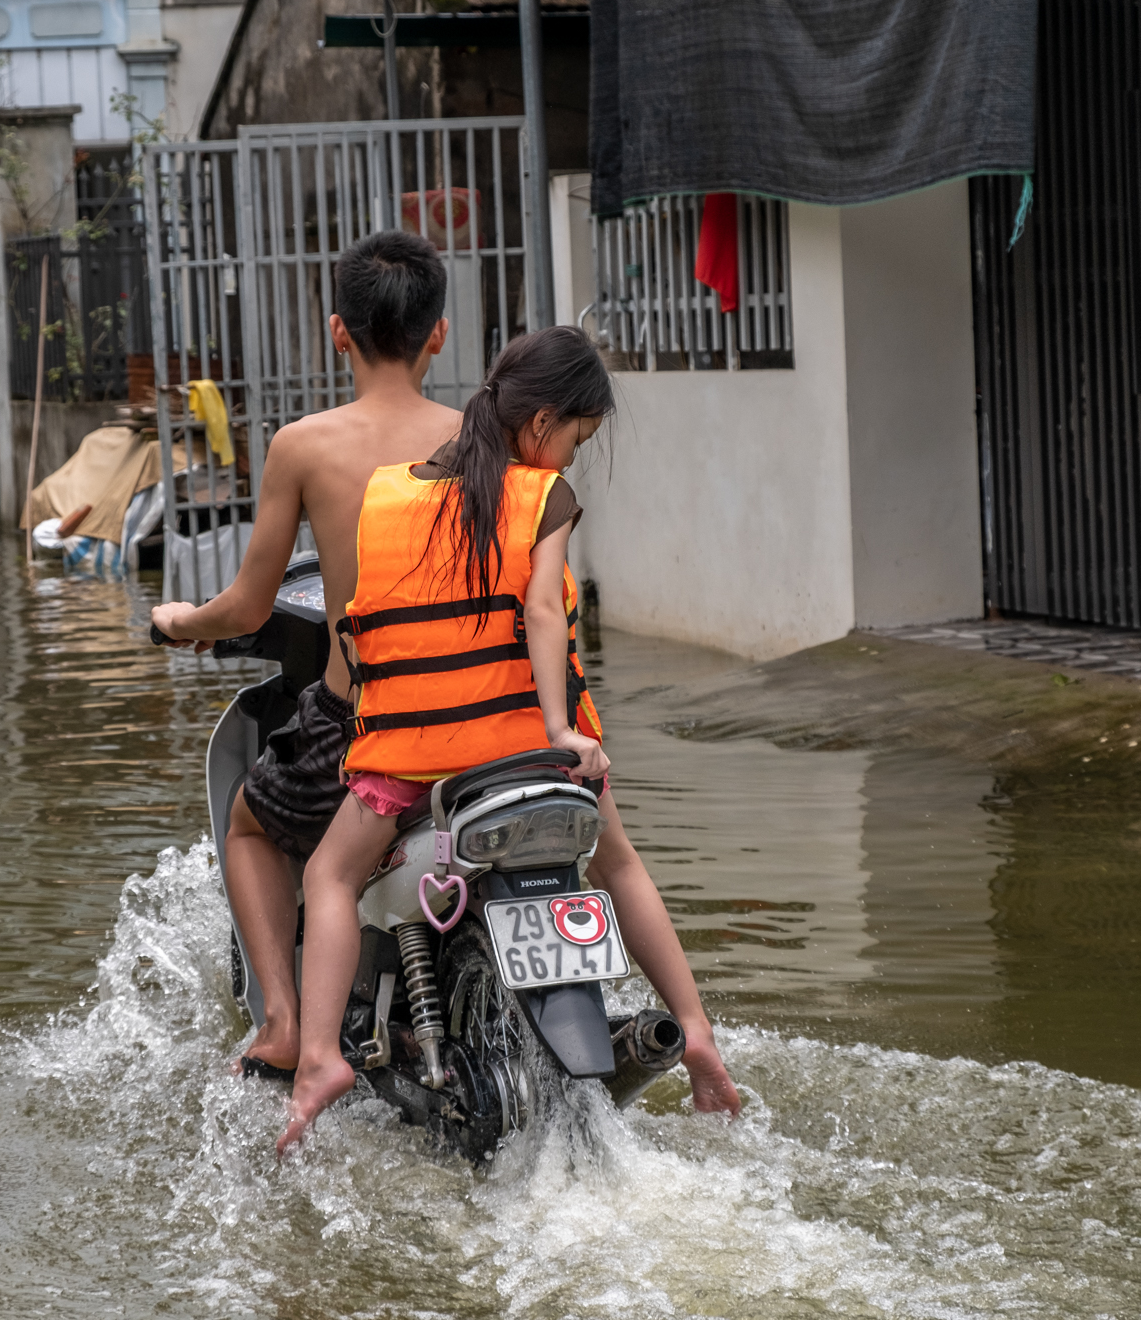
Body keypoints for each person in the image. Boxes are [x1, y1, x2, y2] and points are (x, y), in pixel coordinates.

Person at [273, 325, 739, 1155]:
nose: (570, 457)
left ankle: (315, 1060)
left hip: (412, 763)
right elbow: (545, 610)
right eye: (575, 439)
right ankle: (697, 1029)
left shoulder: (386, 493)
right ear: (541, 424)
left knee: (328, 874)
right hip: (532, 754)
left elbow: (357, 623)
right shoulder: (542, 494)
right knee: (618, 859)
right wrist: (561, 732)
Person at [150, 230, 465, 1077]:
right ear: (440, 332)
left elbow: (250, 604)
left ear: (338, 332)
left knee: (250, 822)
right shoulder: (484, 438)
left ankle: (285, 1020)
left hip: (364, 722)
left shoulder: (304, 444)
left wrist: (183, 620)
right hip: (493, 719)